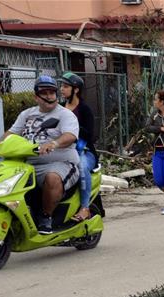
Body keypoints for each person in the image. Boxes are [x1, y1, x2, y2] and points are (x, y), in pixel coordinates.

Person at [0, 75, 79, 234]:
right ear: (36, 97)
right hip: (27, 164)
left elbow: (70, 136)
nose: (49, 96)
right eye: (44, 93)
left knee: (52, 177)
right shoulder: (26, 114)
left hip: (60, 163)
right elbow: (12, 133)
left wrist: (53, 143)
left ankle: (46, 217)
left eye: (52, 92)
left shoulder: (65, 115)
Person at [58, 72, 96, 222]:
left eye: (65, 86)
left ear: (76, 90)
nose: (62, 89)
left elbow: (91, 134)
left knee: (81, 166)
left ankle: (85, 207)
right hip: (62, 150)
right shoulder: (60, 108)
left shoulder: (84, 109)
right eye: (61, 86)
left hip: (83, 151)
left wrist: (73, 126)